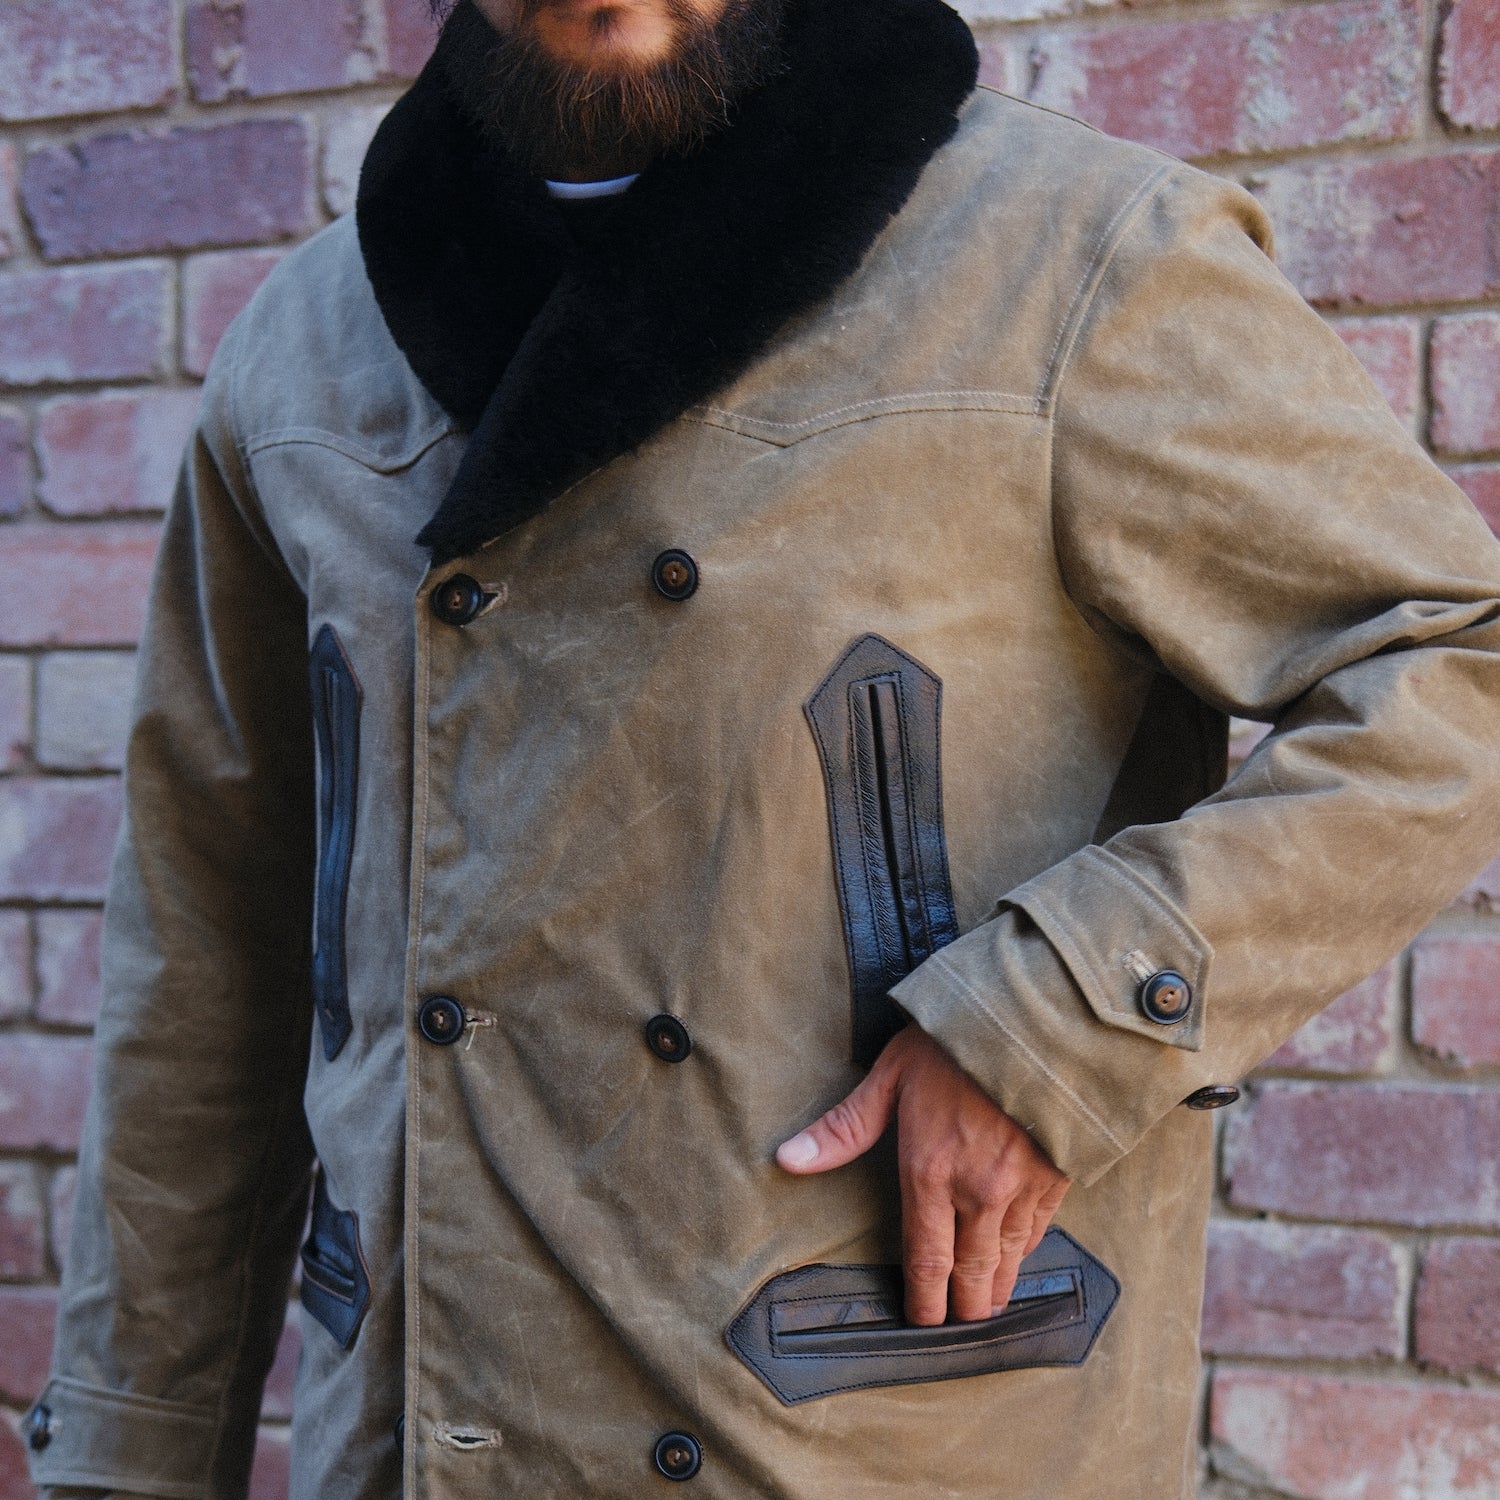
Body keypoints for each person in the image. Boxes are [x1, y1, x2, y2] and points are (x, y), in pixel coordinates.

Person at [28, 0, 1500, 1495]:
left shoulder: (1073, 258)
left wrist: (1055, 1023)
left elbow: (1456, 661)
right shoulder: (301, 349)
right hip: (419, 1439)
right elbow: (211, 943)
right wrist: (128, 1452)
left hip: (876, 1434)